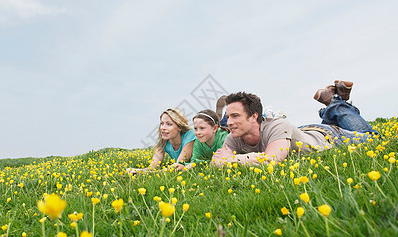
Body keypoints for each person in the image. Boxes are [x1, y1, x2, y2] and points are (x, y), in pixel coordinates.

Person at [212, 80, 378, 166]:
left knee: (373, 138)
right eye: (228, 117)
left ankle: (334, 103)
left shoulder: (277, 125)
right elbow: (216, 162)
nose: (229, 123)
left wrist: (233, 160)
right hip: (302, 132)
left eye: (235, 116)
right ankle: (330, 103)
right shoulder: (233, 137)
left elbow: (271, 159)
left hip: (329, 136)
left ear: (254, 116)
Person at [127, 108, 196, 173]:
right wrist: (138, 171)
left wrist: (147, 173)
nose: (163, 128)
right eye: (162, 123)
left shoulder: (190, 135)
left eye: (169, 124)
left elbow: (178, 165)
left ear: (180, 127)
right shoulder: (164, 141)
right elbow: (152, 167)